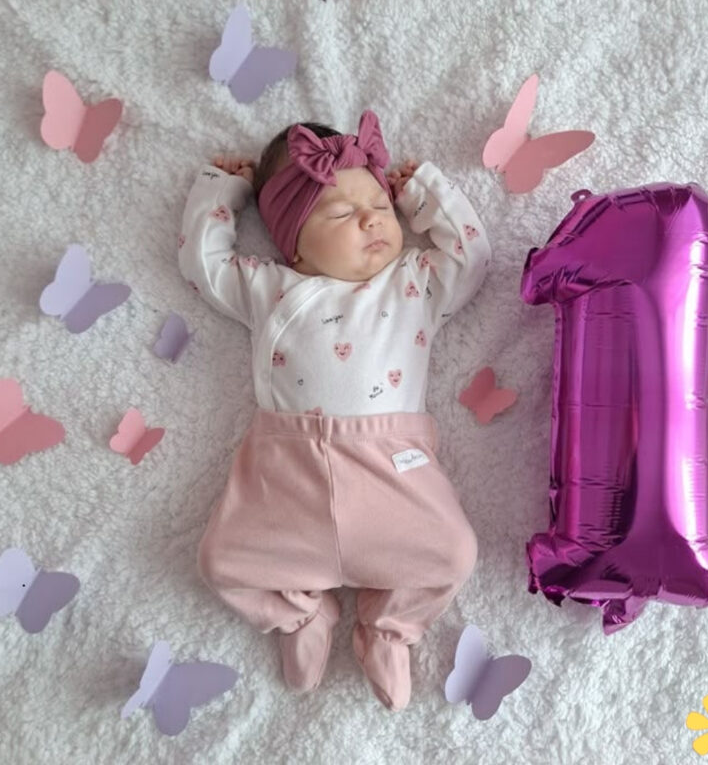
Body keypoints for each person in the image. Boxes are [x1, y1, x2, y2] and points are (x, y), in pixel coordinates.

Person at [179, 110, 490, 711]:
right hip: (286, 477)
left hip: (392, 471)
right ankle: (297, 613)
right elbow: (204, 268)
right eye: (342, 213)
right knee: (219, 561)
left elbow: (472, 259)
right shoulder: (271, 288)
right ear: (292, 243)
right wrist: (221, 193)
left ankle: (390, 625)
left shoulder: (415, 283)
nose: (373, 219)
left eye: (379, 205)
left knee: (455, 552)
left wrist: (424, 194)